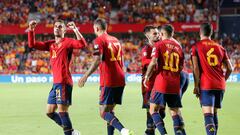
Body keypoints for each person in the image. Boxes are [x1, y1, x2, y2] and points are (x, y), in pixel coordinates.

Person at [28, 20, 87, 135]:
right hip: (56, 83)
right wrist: (31, 29)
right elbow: (32, 44)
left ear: (64, 30)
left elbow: (82, 44)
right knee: (50, 112)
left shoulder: (68, 42)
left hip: (64, 82)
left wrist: (75, 29)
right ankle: (72, 131)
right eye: (55, 26)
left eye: (60, 27)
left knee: (62, 112)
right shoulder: (50, 45)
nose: (57, 28)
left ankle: (69, 133)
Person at [78, 18, 134, 135]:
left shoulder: (99, 40)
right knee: (110, 111)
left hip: (109, 80)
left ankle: (123, 130)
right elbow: (121, 60)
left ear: (97, 28)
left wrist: (85, 76)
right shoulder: (116, 40)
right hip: (120, 78)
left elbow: (98, 60)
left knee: (103, 112)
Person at [191, 22, 233, 135]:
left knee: (208, 115)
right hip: (220, 85)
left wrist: (196, 86)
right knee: (214, 113)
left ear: (200, 32)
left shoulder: (196, 46)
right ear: (212, 33)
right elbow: (230, 68)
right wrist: (223, 80)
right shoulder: (220, 48)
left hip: (206, 85)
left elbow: (195, 68)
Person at [144, 24, 186, 135]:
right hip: (175, 83)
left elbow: (153, 62)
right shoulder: (179, 47)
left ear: (162, 34)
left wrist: (147, 76)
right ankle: (179, 133)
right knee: (174, 110)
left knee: (153, 109)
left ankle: (164, 133)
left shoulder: (159, 45)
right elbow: (181, 67)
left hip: (161, 82)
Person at [141, 25, 163, 135]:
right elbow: (145, 62)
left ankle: (150, 130)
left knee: (161, 112)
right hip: (149, 85)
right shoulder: (147, 49)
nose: (158, 35)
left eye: (158, 33)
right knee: (150, 112)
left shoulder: (161, 47)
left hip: (161, 85)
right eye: (154, 33)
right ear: (147, 35)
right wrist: (156, 60)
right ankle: (150, 130)